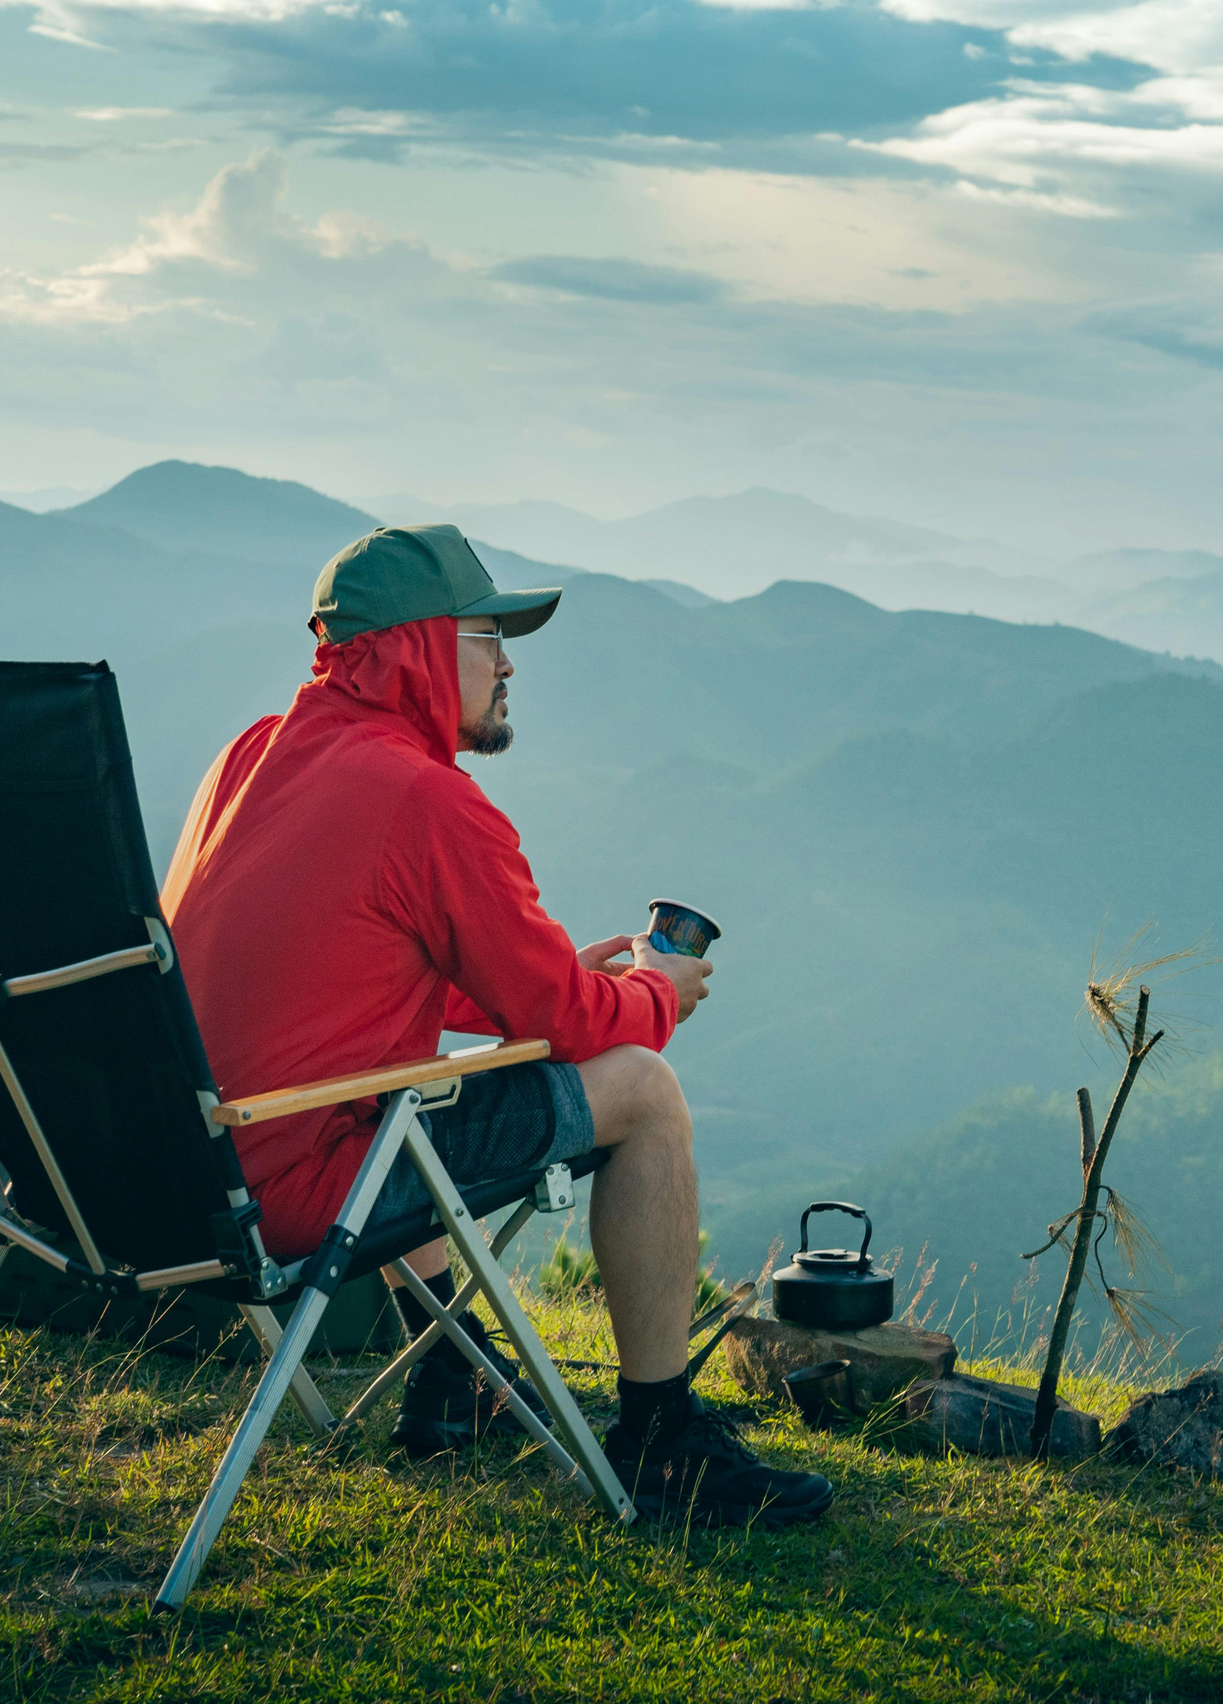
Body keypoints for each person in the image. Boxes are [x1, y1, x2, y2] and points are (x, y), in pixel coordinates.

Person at [161, 523, 831, 1528]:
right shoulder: (425, 798)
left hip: (170, 1176)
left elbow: (342, 955)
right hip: (290, 1188)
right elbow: (567, 1023)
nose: (509, 662)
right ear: (421, 644)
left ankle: (453, 1384)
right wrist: (653, 995)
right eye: (489, 635)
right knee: (643, 1092)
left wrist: (549, 978)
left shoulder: (253, 754)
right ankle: (658, 1436)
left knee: (405, 1083)